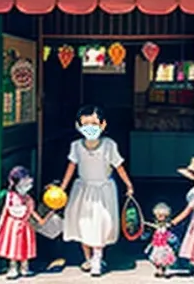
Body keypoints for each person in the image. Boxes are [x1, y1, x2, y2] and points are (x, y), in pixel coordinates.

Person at [60, 105, 134, 277]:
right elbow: (71, 168)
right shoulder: (76, 146)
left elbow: (119, 166)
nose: (90, 128)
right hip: (82, 190)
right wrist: (62, 188)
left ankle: (97, 258)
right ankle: (88, 258)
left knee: (101, 224)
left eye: (94, 123)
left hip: (103, 190)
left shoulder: (109, 145)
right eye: (85, 124)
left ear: (103, 125)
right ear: (78, 125)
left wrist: (129, 185)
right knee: (83, 225)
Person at [0, 166, 48, 280]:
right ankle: (13, 267)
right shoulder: (11, 196)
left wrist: (41, 219)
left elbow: (32, 211)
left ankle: (24, 267)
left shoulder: (28, 198)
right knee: (13, 246)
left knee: (24, 245)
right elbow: (5, 210)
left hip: (25, 224)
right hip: (12, 225)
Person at [144, 202, 179, 278]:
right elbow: (152, 227)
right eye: (159, 215)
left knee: (165, 258)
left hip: (164, 245)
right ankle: (159, 270)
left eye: (163, 215)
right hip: (157, 245)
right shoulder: (156, 225)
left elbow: (169, 229)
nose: (160, 217)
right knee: (156, 259)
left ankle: (165, 269)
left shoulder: (167, 225)